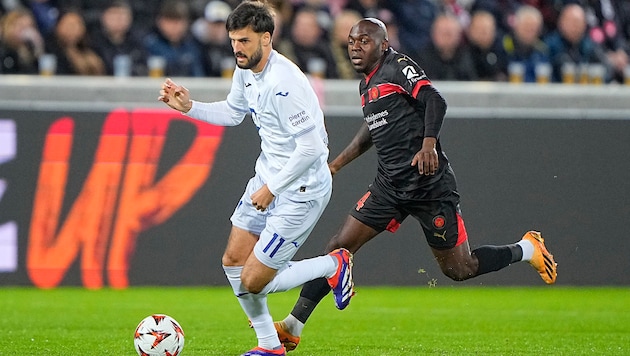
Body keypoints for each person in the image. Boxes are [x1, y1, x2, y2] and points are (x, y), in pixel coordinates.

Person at [273, 17, 558, 352]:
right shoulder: (367, 84)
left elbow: (435, 100)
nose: (355, 46)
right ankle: (292, 326)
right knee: (339, 247)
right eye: (352, 41)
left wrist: (428, 143)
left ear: (383, 45)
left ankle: (526, 249)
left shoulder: (398, 66)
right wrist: (336, 164)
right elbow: (372, 130)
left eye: (364, 41)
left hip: (429, 185)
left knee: (459, 268)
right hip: (389, 187)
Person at [157, 2, 354, 355]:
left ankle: (332, 264)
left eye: (244, 41)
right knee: (233, 262)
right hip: (268, 180)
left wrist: (272, 188)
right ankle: (269, 346)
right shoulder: (245, 70)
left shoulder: (286, 82)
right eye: (233, 40)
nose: (237, 48)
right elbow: (234, 112)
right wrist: (191, 108)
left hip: (300, 190)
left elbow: (311, 150)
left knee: (254, 280)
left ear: (266, 38)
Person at [544, 3, 609, 83]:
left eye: (578, 22)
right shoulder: (550, 45)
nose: (575, 26)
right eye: (571, 22)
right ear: (561, 23)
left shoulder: (589, 44)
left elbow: (607, 67)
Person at [143, 0, 206, 77]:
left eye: (178, 21)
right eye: (170, 21)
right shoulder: (149, 45)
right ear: (160, 22)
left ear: (186, 23)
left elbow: (199, 78)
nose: (174, 26)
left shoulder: (193, 46)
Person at [91, 0, 148, 76]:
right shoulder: (93, 42)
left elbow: (145, 66)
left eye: (122, 15)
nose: (118, 19)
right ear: (104, 18)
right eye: (114, 15)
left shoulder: (139, 41)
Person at [417, 13, 478, 80]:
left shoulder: (469, 56)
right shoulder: (421, 58)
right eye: (443, 33)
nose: (446, 38)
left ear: (459, 35)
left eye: (450, 33)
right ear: (433, 34)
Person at [44, 9, 105, 75]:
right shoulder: (49, 48)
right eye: (69, 25)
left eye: (78, 24)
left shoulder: (92, 47)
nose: (73, 29)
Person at [502, 5, 550, 83]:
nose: (529, 31)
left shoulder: (542, 50)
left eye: (533, 28)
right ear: (516, 26)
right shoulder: (504, 46)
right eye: (526, 26)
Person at [466, 10, 508, 81]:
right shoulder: (464, 55)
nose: (484, 33)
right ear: (470, 31)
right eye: (480, 29)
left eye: (488, 29)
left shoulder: (502, 52)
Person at [0, 8, 44, 74]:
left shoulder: (31, 49)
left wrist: (38, 48)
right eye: (21, 26)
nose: (26, 31)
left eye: (29, 27)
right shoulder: (3, 49)